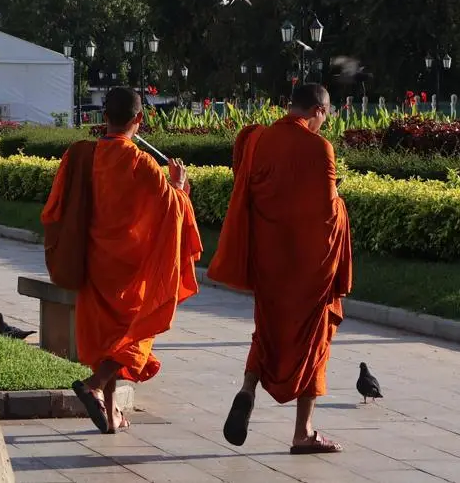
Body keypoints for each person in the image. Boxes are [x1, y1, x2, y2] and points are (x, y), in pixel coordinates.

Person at [42, 86, 202, 434]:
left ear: (104, 117)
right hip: (129, 270)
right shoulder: (140, 162)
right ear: (139, 119)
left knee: (106, 341)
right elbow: (171, 209)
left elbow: (56, 207)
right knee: (138, 333)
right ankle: (94, 385)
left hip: (94, 262)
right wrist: (179, 185)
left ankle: (111, 412)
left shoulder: (84, 155)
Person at [210, 83, 352, 455]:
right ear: (319, 110)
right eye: (326, 116)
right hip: (309, 268)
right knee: (313, 342)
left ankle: (247, 390)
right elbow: (327, 212)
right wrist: (341, 203)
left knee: (267, 334)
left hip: (270, 262)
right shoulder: (319, 147)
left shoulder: (259, 140)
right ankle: (303, 432)